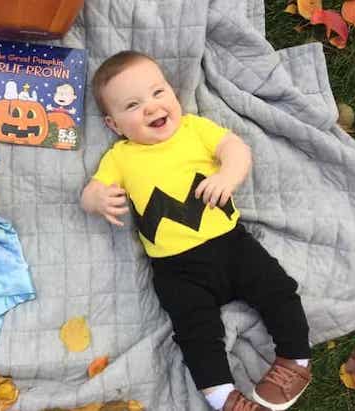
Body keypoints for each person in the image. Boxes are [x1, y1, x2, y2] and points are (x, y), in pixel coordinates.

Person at [81, 51, 311, 411]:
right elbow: (91, 190)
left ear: (173, 94)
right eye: (132, 104)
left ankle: (295, 360)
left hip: (233, 246)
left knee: (278, 291)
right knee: (194, 332)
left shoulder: (194, 129)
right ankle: (222, 395)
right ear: (114, 125)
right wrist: (97, 197)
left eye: (158, 93)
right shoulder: (120, 157)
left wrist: (226, 177)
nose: (151, 107)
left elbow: (236, 150)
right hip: (176, 269)